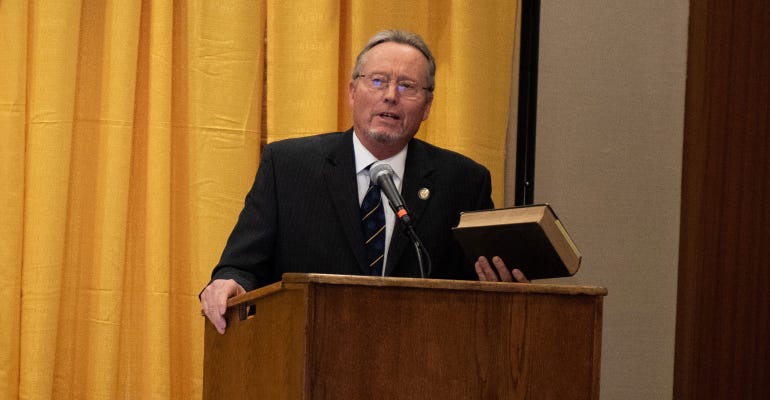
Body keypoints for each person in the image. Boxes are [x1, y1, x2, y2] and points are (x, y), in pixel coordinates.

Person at [200, 30, 528, 334]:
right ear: (352, 92)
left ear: (427, 106)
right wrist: (230, 283)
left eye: (407, 86)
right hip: (307, 358)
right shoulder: (288, 167)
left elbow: (479, 284)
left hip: (420, 366)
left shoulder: (463, 181)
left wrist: (505, 290)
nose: (390, 96)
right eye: (378, 81)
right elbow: (241, 266)